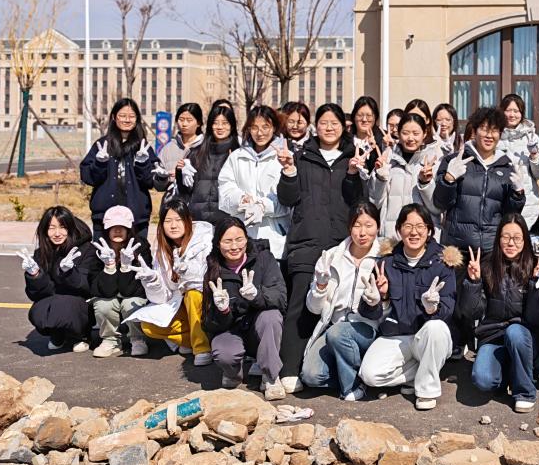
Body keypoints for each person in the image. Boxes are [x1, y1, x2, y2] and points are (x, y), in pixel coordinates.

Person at [277, 103, 365, 391]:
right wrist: (289, 171)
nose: (329, 128)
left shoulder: (353, 156)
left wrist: (352, 174)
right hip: (306, 242)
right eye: (324, 122)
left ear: (343, 126)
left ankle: (327, 369)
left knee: (336, 307)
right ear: (316, 126)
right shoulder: (302, 156)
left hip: (340, 245)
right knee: (299, 306)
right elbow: (288, 198)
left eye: (334, 123)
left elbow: (358, 202)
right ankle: (289, 368)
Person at [459, 214, 539, 412]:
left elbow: (536, 318)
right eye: (505, 237)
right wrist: (473, 282)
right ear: (498, 238)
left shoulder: (535, 265)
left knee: (515, 332)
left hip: (526, 338)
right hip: (494, 336)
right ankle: (511, 371)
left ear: (525, 240)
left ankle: (525, 392)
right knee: (483, 380)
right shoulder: (487, 266)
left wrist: (535, 284)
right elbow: (472, 313)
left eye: (517, 238)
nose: (511, 243)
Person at [358, 204, 460, 410]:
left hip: (428, 336)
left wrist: (432, 309)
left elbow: (448, 309)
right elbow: (369, 312)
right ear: (399, 230)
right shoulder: (386, 263)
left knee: (436, 328)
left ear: (429, 230)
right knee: (369, 375)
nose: (414, 232)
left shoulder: (442, 263)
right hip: (397, 335)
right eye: (408, 226)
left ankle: (426, 390)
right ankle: (420, 373)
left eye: (420, 226)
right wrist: (377, 299)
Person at [301, 202, 383, 400]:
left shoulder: (385, 258)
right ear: (349, 227)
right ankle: (355, 372)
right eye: (357, 225)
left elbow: (390, 307)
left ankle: (353, 387)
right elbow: (313, 309)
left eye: (369, 225)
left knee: (339, 333)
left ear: (378, 227)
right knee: (311, 376)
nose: (362, 232)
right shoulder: (331, 257)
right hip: (333, 326)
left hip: (368, 328)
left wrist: (379, 300)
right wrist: (320, 286)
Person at [202, 216, 288, 398]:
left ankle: (270, 376)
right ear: (218, 244)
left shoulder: (264, 258)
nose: (234, 246)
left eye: (239, 239)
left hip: (259, 329)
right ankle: (233, 372)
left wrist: (257, 296)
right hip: (231, 329)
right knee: (224, 354)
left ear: (247, 239)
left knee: (271, 316)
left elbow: (280, 298)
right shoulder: (213, 269)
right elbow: (208, 323)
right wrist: (223, 310)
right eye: (227, 241)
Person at [125, 198, 214, 364]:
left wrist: (187, 272)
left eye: (178, 220)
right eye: (167, 221)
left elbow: (208, 280)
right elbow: (162, 297)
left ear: (188, 220)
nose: (173, 226)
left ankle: (202, 348)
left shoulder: (205, 242)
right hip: (178, 305)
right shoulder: (162, 251)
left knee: (193, 294)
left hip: (206, 305)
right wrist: (153, 282)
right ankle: (194, 340)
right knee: (149, 327)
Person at [433, 107, 527, 256]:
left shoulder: (507, 167)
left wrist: (518, 194)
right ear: (474, 131)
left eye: (494, 130)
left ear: (500, 134)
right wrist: (448, 180)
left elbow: (510, 215)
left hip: (491, 250)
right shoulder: (455, 161)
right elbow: (440, 203)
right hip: (456, 250)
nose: (489, 135)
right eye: (484, 129)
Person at [20, 206, 96, 352]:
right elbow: (37, 295)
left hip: (80, 302)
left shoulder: (86, 250)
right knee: (38, 312)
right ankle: (57, 334)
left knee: (67, 307)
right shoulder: (42, 253)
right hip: (55, 299)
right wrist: (35, 275)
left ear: (70, 228)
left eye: (62, 227)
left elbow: (87, 286)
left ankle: (82, 335)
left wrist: (69, 273)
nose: (57, 233)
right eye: (51, 228)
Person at [218, 105, 290, 259]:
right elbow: (225, 189)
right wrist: (240, 199)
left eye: (265, 127)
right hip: (242, 238)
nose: (260, 133)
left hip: (275, 239)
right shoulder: (237, 156)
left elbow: (287, 199)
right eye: (254, 127)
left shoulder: (285, 157)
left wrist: (262, 206)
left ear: (274, 127)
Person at [80, 98, 156, 239]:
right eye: (122, 115)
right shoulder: (102, 145)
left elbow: (150, 181)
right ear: (114, 117)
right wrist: (99, 164)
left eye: (132, 116)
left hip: (136, 218)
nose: (127, 120)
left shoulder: (143, 147)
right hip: (105, 217)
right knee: (103, 252)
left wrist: (143, 164)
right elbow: (87, 177)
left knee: (136, 252)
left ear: (137, 119)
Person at [89, 205, 152, 358]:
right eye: (113, 226)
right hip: (108, 295)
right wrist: (109, 266)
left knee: (131, 303)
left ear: (129, 228)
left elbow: (134, 290)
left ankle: (137, 339)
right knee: (103, 304)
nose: (117, 230)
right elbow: (100, 290)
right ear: (106, 229)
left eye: (122, 226)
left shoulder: (140, 246)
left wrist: (125, 267)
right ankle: (110, 340)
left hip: (132, 294)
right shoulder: (98, 249)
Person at [365, 112, 440, 238]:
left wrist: (425, 183)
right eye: (405, 133)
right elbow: (374, 203)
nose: (410, 138)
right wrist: (380, 177)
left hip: (422, 238)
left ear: (424, 134)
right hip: (392, 238)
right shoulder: (387, 160)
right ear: (398, 134)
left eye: (416, 133)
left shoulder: (434, 162)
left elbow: (436, 208)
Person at [179, 103, 239, 224]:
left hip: (227, 222)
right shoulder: (196, 153)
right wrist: (180, 172)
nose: (220, 127)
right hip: (198, 220)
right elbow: (185, 191)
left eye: (225, 123)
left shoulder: (238, 154)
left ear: (232, 126)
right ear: (210, 125)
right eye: (215, 123)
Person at [498, 93, 539, 226]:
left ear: (522, 113)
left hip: (528, 205)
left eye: (516, 111)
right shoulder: (494, 136)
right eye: (508, 110)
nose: (512, 115)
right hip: (500, 202)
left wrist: (534, 155)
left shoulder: (531, 137)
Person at [156, 103, 204, 194]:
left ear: (198, 123)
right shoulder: (167, 149)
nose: (184, 124)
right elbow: (158, 186)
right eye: (181, 120)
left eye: (189, 120)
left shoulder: (206, 147)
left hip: (199, 200)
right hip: (173, 200)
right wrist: (163, 178)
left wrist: (180, 175)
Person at [350, 95, 386, 170]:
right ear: (354, 116)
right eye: (360, 115)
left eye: (369, 115)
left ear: (375, 117)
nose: (364, 119)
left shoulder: (383, 141)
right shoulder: (345, 140)